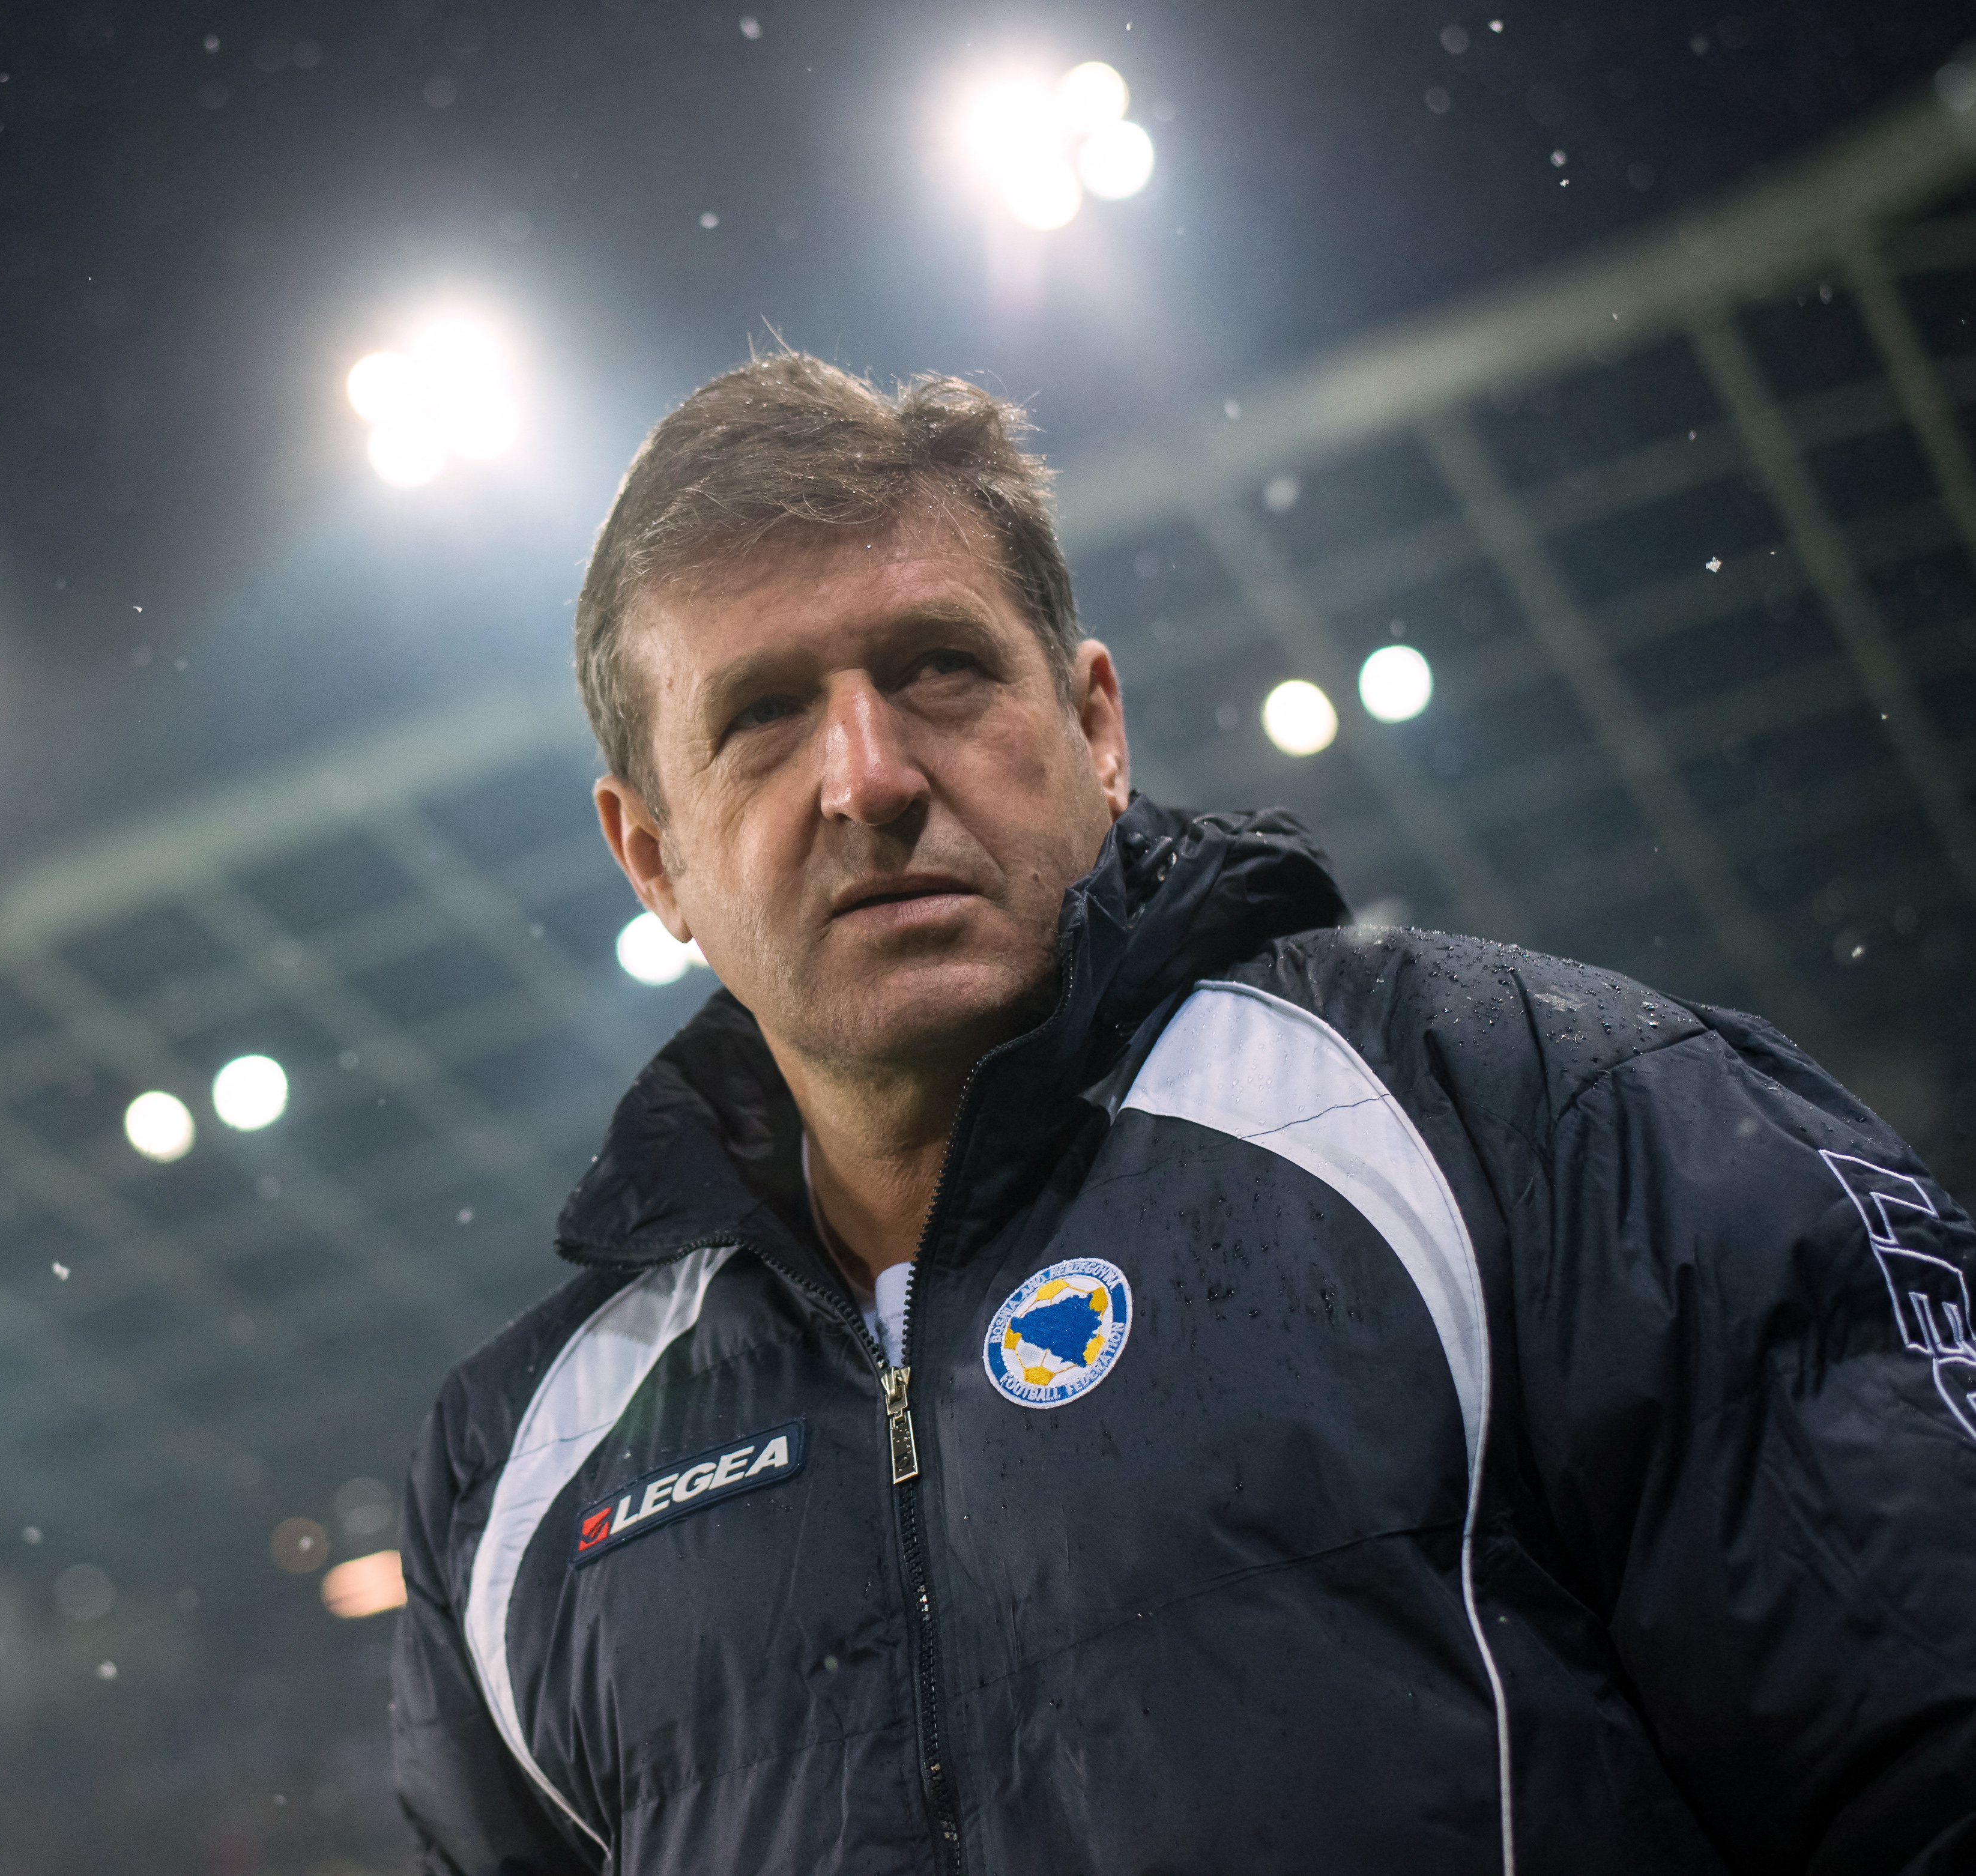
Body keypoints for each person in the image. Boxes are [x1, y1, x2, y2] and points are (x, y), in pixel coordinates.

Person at [386, 353, 1976, 1875]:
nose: (867, 777)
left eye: (938, 668)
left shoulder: (1534, 1119)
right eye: (764, 715)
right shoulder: (513, 1473)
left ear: (1096, 727)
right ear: (652, 857)